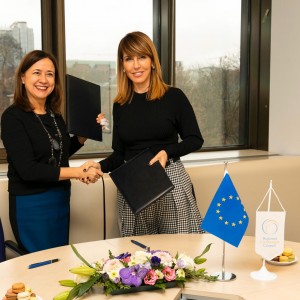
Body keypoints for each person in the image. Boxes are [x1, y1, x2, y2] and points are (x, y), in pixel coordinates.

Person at [85, 31, 205, 237]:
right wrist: (99, 166)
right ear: (122, 64)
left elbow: (195, 139)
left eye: (142, 57)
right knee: (139, 260)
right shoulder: (120, 105)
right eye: (129, 59)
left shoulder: (173, 96)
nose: (136, 65)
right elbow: (120, 155)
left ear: (152, 61)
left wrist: (167, 152)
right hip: (135, 186)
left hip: (171, 180)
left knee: (180, 258)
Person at [1, 50, 101, 253]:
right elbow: (28, 169)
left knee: (58, 263)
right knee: (39, 266)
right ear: (23, 77)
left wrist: (85, 133)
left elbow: (59, 153)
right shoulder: (13, 117)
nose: (43, 79)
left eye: (50, 74)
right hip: (31, 204)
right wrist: (76, 172)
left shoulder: (55, 115)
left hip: (60, 199)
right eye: (37, 72)